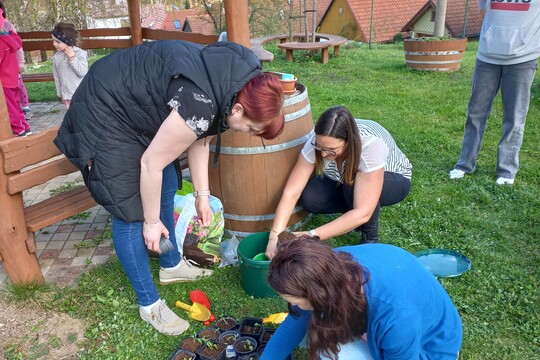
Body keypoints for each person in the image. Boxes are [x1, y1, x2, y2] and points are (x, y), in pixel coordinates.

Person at [54, 39, 285, 335]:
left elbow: (202, 136)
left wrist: (203, 196)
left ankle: (171, 264)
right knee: (130, 208)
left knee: (171, 180)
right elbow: (151, 163)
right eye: (252, 128)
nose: (249, 133)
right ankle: (149, 305)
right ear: (239, 108)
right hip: (105, 109)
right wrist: (150, 222)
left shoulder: (237, 83)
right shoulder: (202, 102)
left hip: (134, 102)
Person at [261, 236, 463, 360]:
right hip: (396, 311)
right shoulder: (327, 267)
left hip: (429, 348)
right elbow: (293, 325)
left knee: (330, 354)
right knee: (313, 334)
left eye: (294, 301)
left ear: (318, 294)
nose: (292, 306)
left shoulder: (396, 317)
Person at [266, 106, 412, 257]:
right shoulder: (319, 142)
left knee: (353, 185)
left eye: (331, 150)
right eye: (319, 147)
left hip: (394, 179)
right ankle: (350, 215)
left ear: (349, 141)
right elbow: (291, 192)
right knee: (311, 199)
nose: (323, 153)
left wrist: (311, 234)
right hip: (343, 178)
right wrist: (274, 235)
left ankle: (370, 239)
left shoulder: (370, 146)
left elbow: (363, 212)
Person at [449, 0, 539, 185]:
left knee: (514, 117)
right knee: (475, 113)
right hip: (487, 56)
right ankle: (464, 164)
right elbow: (484, 12)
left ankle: (506, 171)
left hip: (523, 58)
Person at [0, 9, 31, 137]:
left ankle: (18, 130)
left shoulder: (1, 43)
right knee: (16, 104)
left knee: (10, 107)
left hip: (5, 80)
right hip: (14, 78)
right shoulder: (10, 37)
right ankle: (26, 127)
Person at [51, 22, 88, 109]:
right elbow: (56, 76)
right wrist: (60, 93)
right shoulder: (57, 56)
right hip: (67, 95)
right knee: (71, 117)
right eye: (53, 40)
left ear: (68, 40)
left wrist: (72, 57)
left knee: (81, 117)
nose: (54, 44)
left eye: (58, 41)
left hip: (80, 95)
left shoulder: (80, 53)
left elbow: (83, 72)